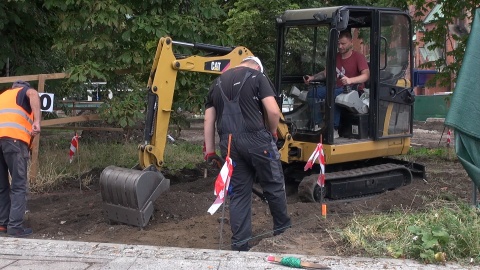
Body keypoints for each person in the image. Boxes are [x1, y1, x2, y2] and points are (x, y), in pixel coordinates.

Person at [204, 56, 291, 251]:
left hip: (229, 145)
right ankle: (284, 232)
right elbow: (273, 111)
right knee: (273, 185)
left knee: (239, 194)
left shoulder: (216, 83)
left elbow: (209, 121)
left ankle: (240, 244)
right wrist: (273, 132)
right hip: (258, 140)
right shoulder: (257, 76)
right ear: (258, 67)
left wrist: (210, 152)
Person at [304, 29, 370, 138]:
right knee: (312, 93)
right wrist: (312, 78)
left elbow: (366, 75)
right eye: (338, 43)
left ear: (351, 43)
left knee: (336, 96)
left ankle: (333, 129)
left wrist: (350, 80)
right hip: (337, 88)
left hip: (355, 90)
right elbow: (326, 73)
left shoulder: (358, 57)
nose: (340, 46)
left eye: (343, 44)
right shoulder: (335, 57)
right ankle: (319, 124)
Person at [0, 80, 41, 237]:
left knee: (2, 186)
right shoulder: (25, 92)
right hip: (14, 141)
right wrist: (36, 121)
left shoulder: (3, 96)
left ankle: (2, 224)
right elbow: (34, 94)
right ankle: (15, 226)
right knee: (18, 185)